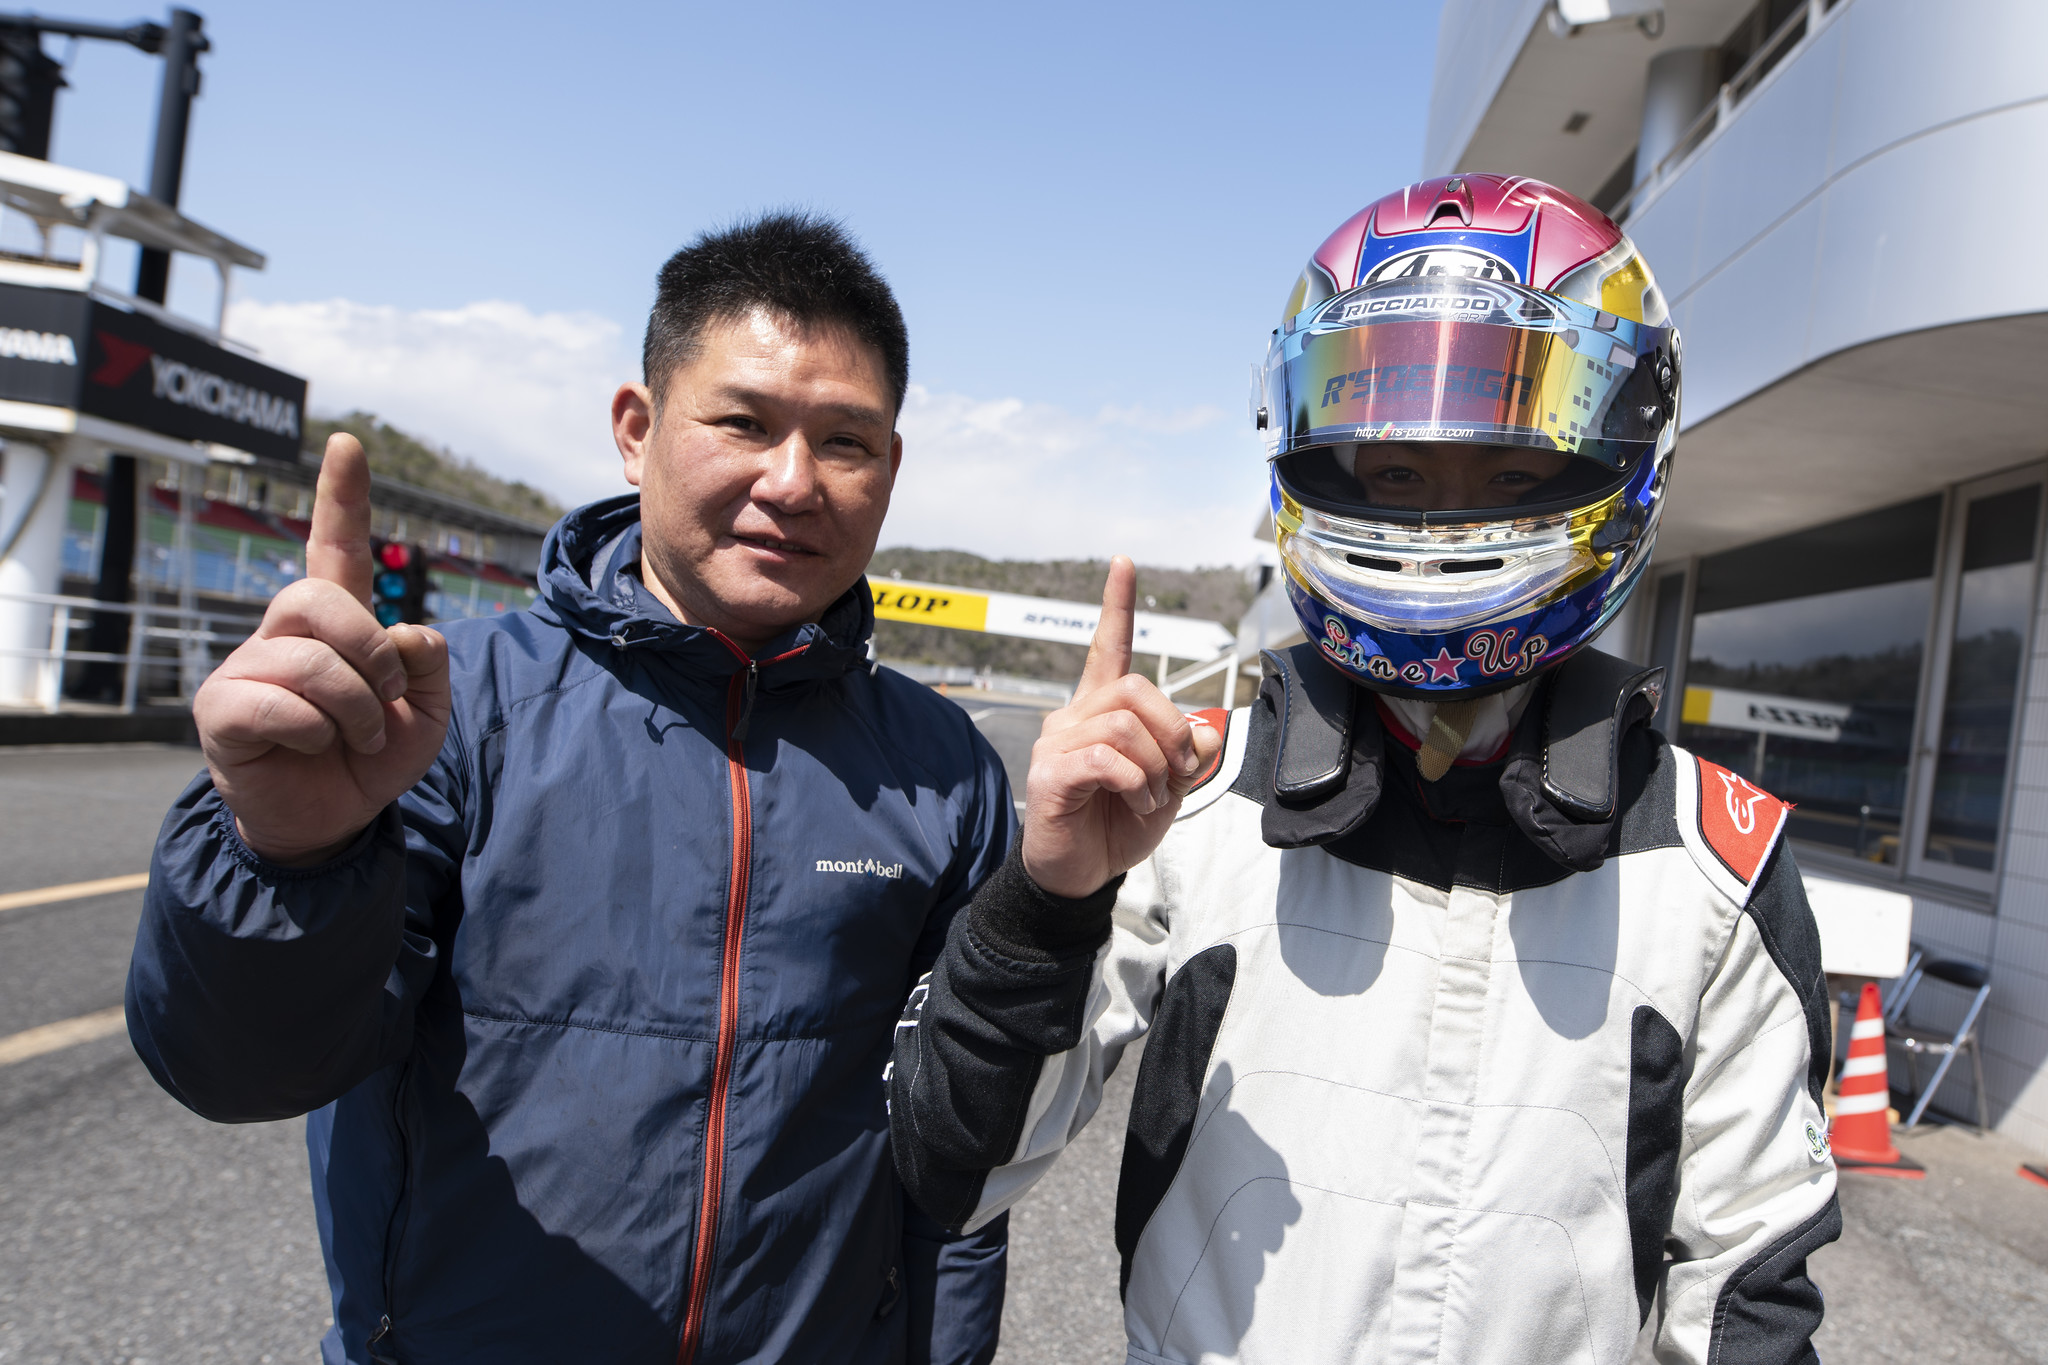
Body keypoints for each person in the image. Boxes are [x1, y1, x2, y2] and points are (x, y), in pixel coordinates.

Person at [889, 175, 1840, 1364]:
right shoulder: (1184, 798)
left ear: (1621, 454)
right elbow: (953, 1170)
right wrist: (1043, 903)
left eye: (1510, 473)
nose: (1441, 525)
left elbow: (1748, 1302)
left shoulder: (1712, 862)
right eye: (1394, 473)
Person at [128, 213, 1011, 1365]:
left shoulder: (945, 770)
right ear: (636, 431)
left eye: (844, 442)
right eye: (743, 422)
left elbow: (958, 1160)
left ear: (888, 469)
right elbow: (243, 1070)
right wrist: (284, 859)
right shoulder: (440, 715)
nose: (792, 481)